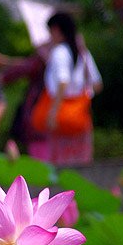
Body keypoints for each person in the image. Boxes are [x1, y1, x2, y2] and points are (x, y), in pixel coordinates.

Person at [40, 12, 102, 166]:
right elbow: (97, 84)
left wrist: (54, 111)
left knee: (60, 164)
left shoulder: (59, 52)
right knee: (81, 161)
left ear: (56, 30)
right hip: (80, 115)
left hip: (61, 115)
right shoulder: (83, 52)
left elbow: (63, 81)